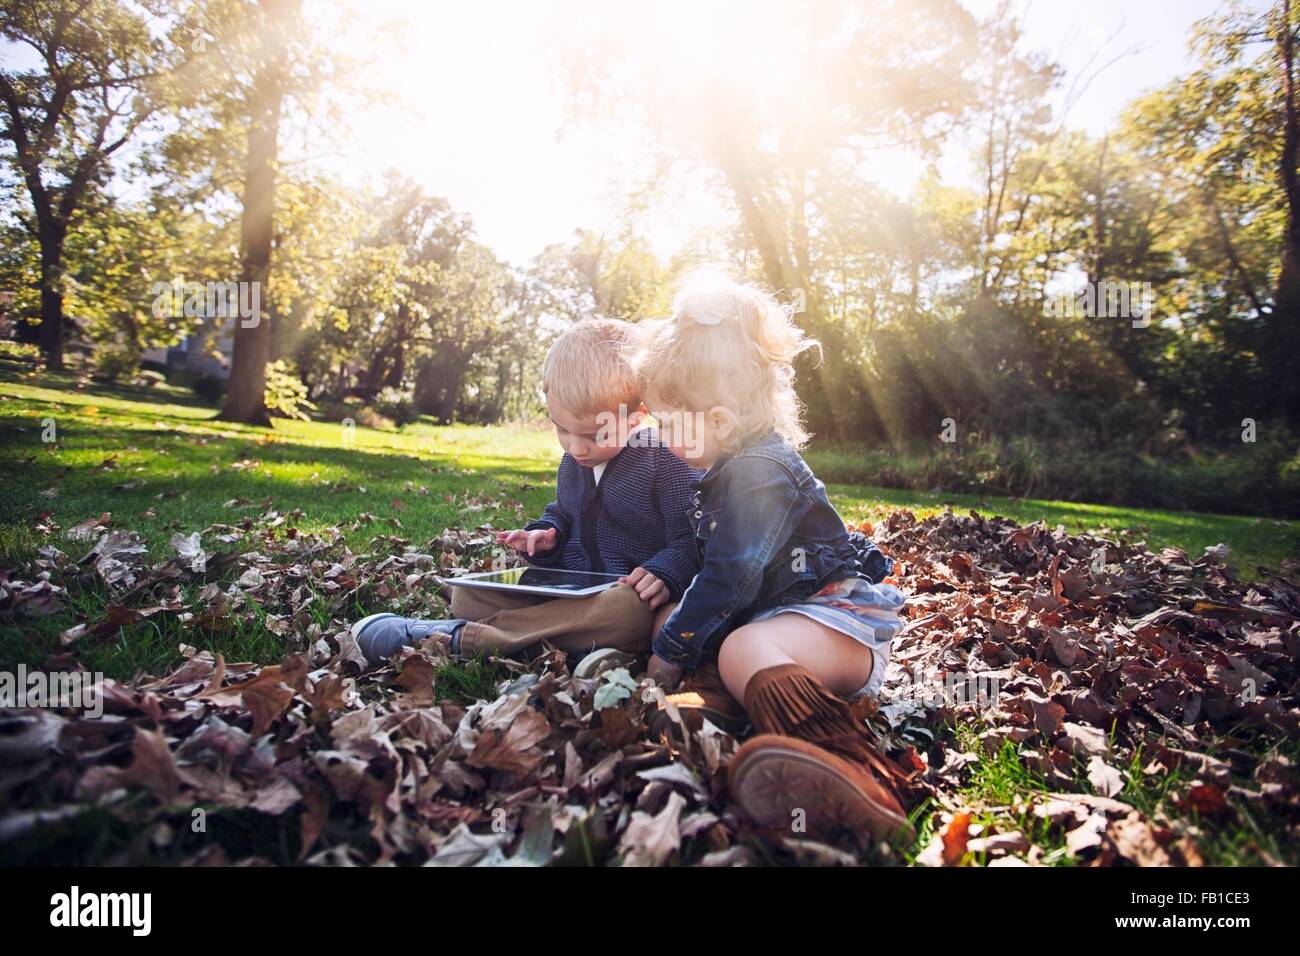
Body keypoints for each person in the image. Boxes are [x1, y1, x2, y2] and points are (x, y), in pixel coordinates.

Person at [635, 268, 916, 846]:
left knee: (736, 643)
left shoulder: (759, 471)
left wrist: (668, 655)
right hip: (784, 622)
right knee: (680, 621)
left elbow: (730, 575)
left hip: (835, 625)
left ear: (718, 420)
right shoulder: (723, 467)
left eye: (667, 423)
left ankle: (850, 771)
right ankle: (728, 707)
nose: (660, 437)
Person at [350, 319, 701, 672]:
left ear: (636, 417)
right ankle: (582, 645)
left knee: (628, 614)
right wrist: (546, 535)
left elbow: (694, 540)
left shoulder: (664, 460)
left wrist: (665, 571)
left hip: (625, 596)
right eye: (562, 429)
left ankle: (461, 639)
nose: (576, 447)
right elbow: (564, 515)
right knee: (468, 594)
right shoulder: (573, 463)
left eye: (594, 435)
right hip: (571, 588)